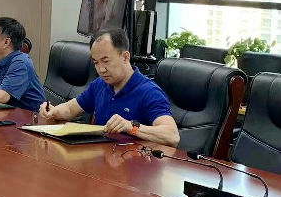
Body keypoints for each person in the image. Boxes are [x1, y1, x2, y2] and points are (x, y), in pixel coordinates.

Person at [39, 28, 180, 147]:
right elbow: (71, 109)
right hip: (101, 158)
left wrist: (131, 127)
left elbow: (172, 136)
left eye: (106, 61)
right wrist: (53, 111)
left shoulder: (149, 92)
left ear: (125, 57)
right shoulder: (100, 84)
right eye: (96, 62)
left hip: (133, 165)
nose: (101, 69)